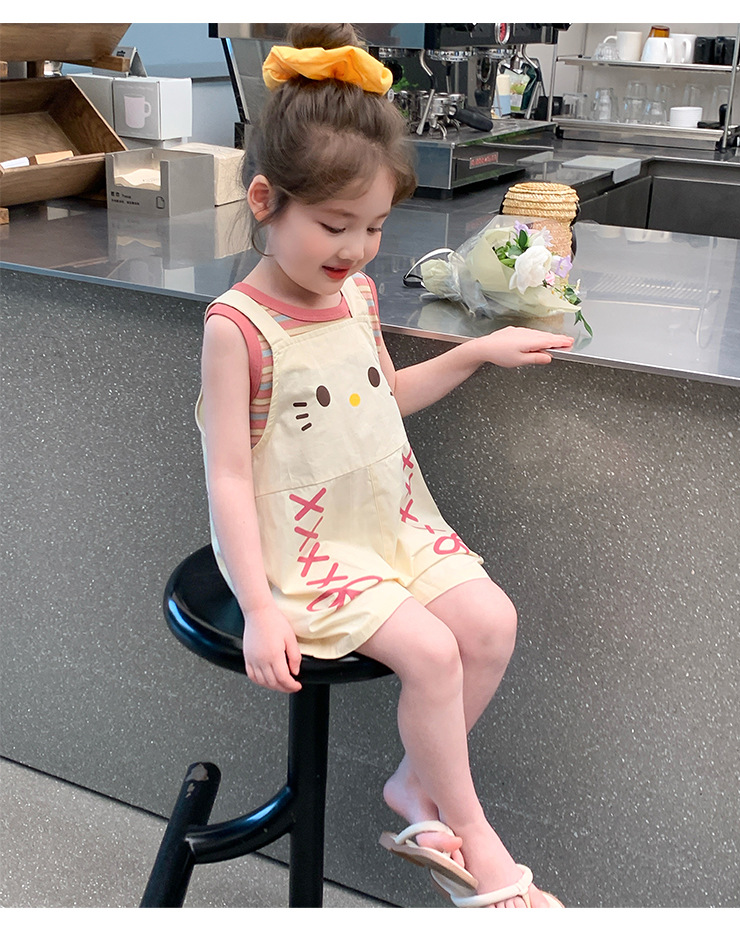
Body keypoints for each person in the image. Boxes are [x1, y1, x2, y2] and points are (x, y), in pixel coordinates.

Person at [196, 22, 573, 909]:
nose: (356, 249)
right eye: (335, 226)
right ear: (265, 201)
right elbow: (227, 478)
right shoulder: (237, 328)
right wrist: (259, 607)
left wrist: (475, 354)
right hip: (304, 549)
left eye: (373, 226)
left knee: (491, 624)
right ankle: (472, 832)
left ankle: (414, 786)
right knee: (434, 655)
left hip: (388, 519)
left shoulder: (358, 295)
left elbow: (383, 398)